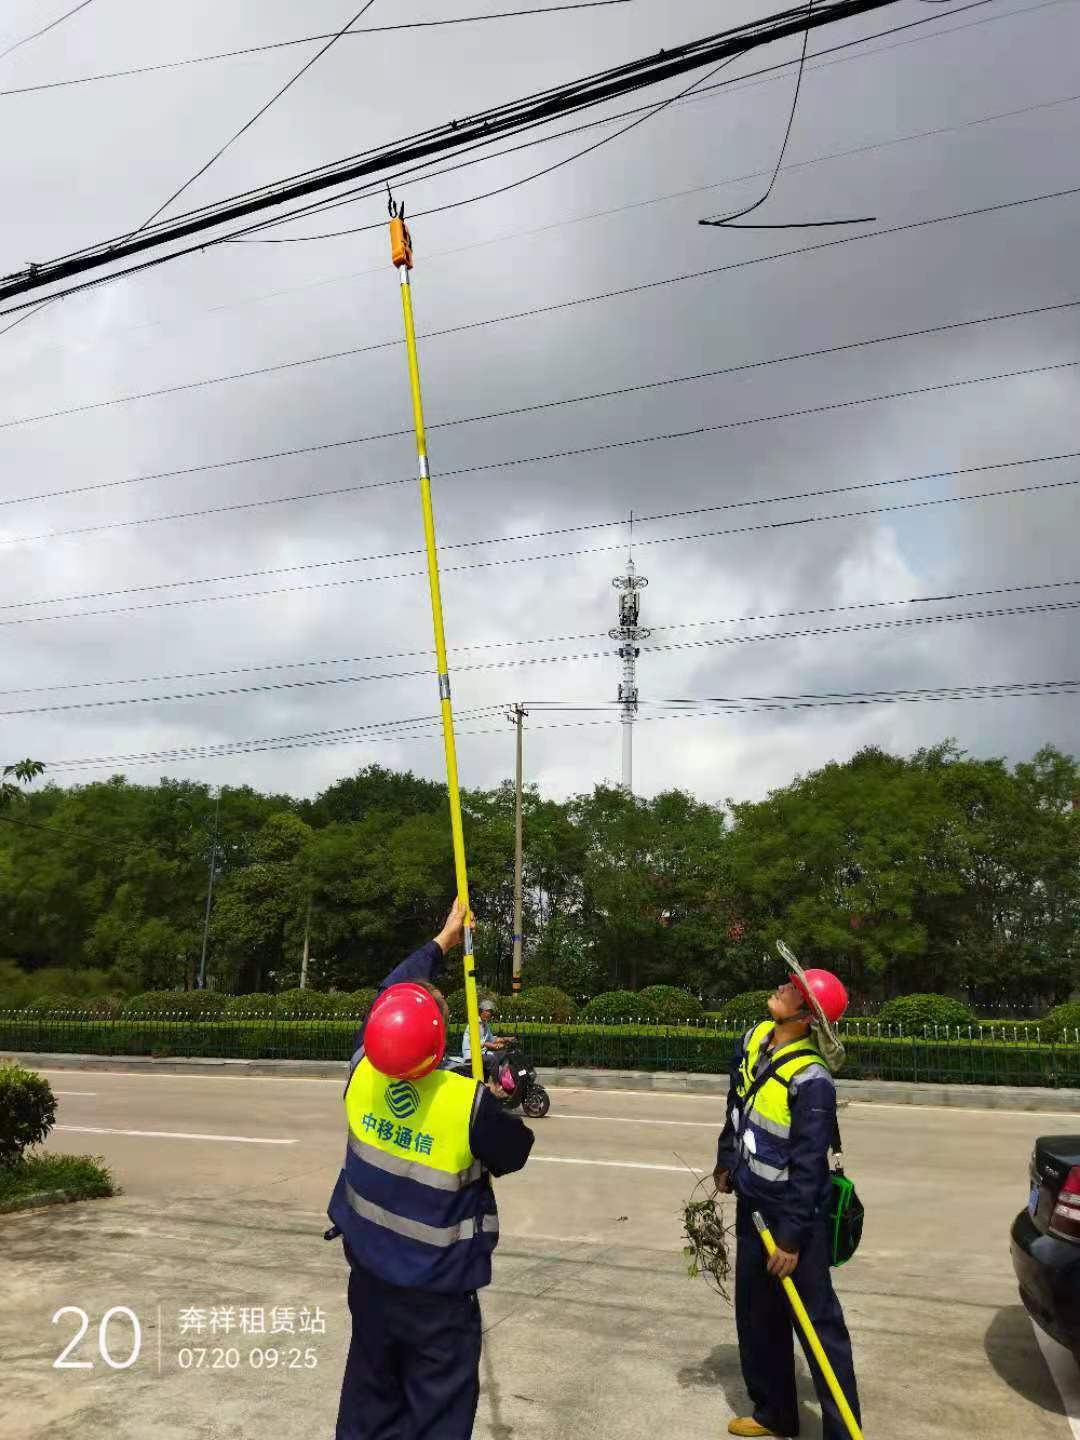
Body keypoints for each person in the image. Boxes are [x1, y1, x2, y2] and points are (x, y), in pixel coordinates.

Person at [327, 899, 535, 1440]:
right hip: (437, 1297)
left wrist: (443, 940)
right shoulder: (465, 1105)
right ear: (440, 1039)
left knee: (369, 1401)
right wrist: (489, 1100)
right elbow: (516, 1151)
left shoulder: (361, 1070)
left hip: (370, 1278)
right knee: (438, 1415)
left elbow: (386, 993)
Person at [714, 944, 861, 1440]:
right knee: (757, 1315)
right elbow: (737, 1102)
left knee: (818, 1327)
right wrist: (726, 1160)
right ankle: (774, 1412)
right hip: (752, 1204)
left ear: (806, 1016)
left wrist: (793, 1238)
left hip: (793, 1218)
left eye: (793, 990)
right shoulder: (755, 1038)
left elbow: (809, 1165)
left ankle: (843, 1432)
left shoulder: (813, 1079)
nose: (781, 987)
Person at [461, 996, 510, 1082]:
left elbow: (492, 1039)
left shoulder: (485, 1024)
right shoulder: (474, 1023)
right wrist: (494, 1046)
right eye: (486, 1011)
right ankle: (495, 1084)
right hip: (472, 1055)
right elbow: (479, 1043)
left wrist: (506, 1039)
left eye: (490, 1011)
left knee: (505, 1054)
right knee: (492, 1060)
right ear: (480, 1011)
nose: (489, 1013)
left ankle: (505, 1080)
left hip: (482, 1053)